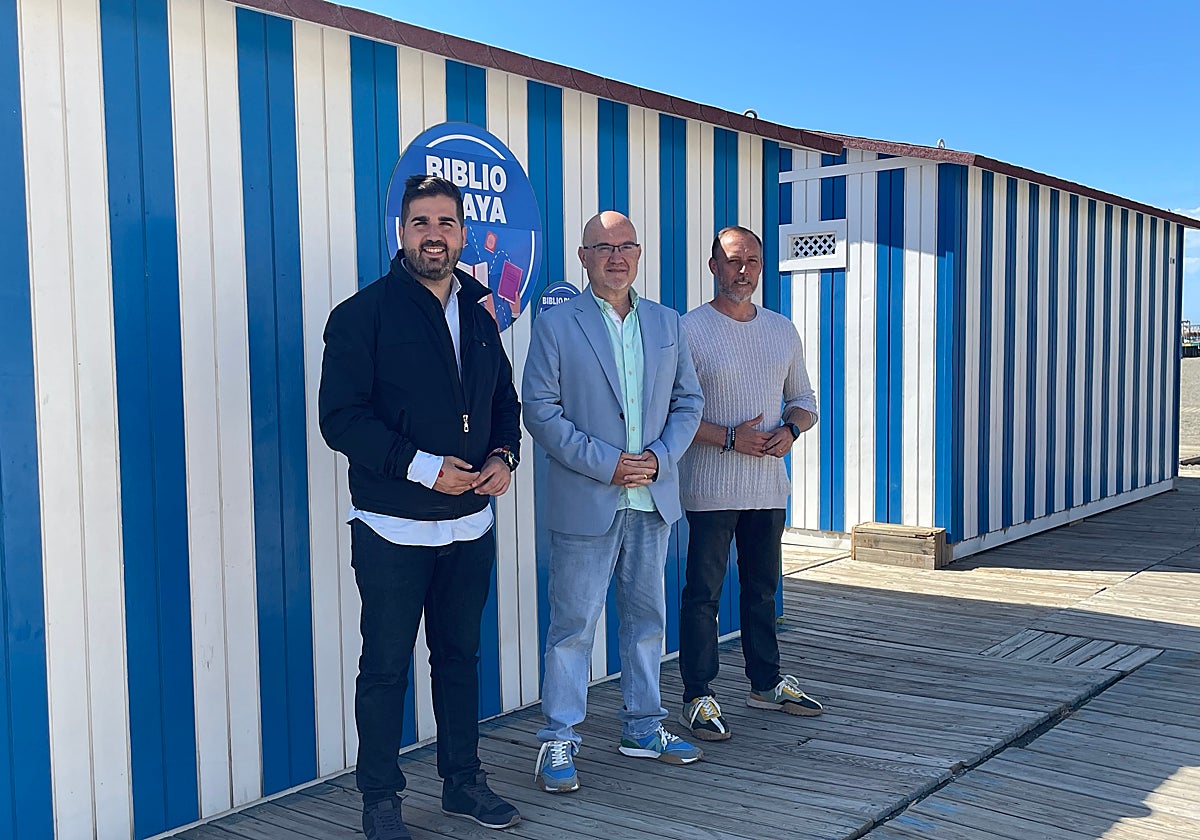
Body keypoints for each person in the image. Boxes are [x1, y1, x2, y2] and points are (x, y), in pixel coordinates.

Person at [319, 175, 522, 840]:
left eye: (446, 223)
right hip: (391, 529)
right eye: (420, 222)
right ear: (401, 233)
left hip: (470, 527)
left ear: (463, 234)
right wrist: (423, 467)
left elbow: (503, 405)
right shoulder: (361, 315)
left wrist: (503, 458)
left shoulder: (482, 310)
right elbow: (340, 419)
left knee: (459, 660)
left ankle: (463, 783)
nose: (434, 234)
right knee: (385, 668)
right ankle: (381, 799)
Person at [522, 211, 705, 793]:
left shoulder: (667, 321)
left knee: (647, 619)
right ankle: (558, 738)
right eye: (602, 247)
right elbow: (540, 411)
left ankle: (643, 727)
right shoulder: (556, 324)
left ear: (640, 252)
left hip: (652, 496)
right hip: (588, 497)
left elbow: (688, 401)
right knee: (574, 625)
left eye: (625, 245)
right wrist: (607, 463)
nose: (615, 256)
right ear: (583, 258)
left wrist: (660, 457)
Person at [675, 225, 822, 743]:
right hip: (711, 488)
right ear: (713, 265)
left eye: (753, 261)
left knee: (762, 592)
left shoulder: (782, 330)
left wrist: (790, 430)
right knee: (704, 596)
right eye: (733, 260)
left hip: (766, 489)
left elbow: (805, 400)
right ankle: (698, 693)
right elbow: (674, 415)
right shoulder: (687, 330)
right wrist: (730, 439)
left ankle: (765, 682)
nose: (744, 271)